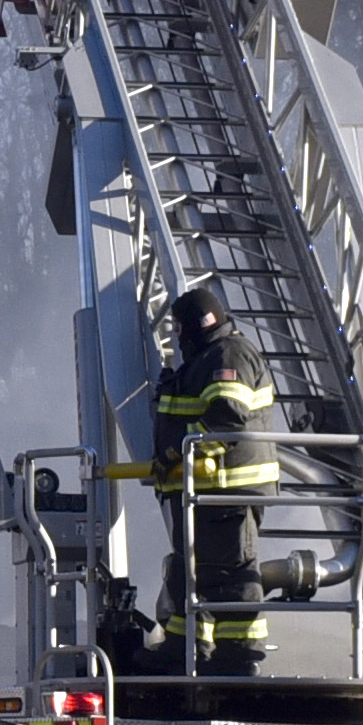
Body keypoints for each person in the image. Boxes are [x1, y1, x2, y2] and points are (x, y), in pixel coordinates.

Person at [142, 289, 282, 676]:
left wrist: (176, 452)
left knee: (229, 573)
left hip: (227, 489)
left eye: (179, 326)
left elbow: (227, 415)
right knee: (195, 572)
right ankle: (186, 647)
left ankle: (237, 656)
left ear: (192, 325)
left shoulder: (227, 356)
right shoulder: (206, 358)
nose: (177, 334)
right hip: (202, 490)